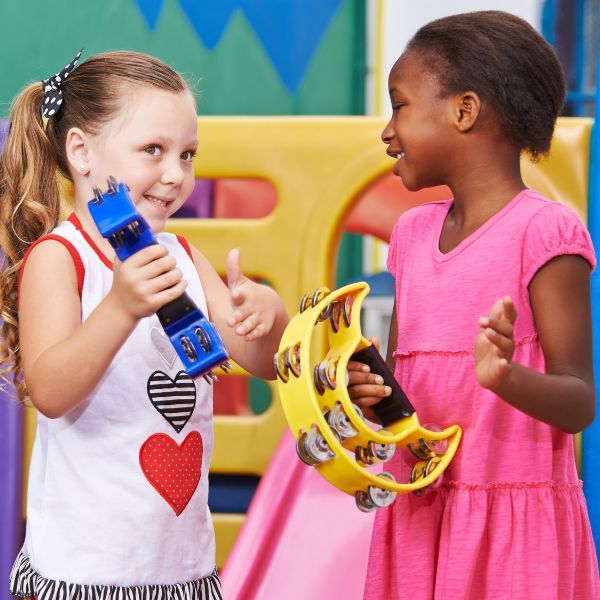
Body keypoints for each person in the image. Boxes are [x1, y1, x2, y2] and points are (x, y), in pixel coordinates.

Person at [0, 50, 288, 599]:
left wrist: (267, 318)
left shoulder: (180, 254)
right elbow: (52, 390)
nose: (176, 174)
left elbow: (262, 362)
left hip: (180, 569)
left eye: (188, 154)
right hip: (84, 570)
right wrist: (120, 309)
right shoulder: (61, 258)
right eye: (153, 150)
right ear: (81, 151)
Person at [347, 11, 600, 599]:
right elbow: (403, 396)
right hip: (420, 514)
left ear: (464, 110)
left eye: (400, 105)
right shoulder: (410, 235)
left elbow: (579, 401)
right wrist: (369, 389)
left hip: (512, 534)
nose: (387, 131)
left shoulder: (546, 233)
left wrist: (504, 377)